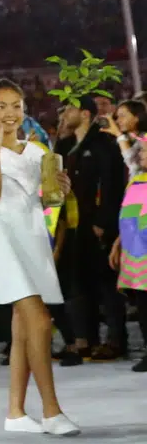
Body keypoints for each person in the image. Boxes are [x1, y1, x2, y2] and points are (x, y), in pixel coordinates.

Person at [0, 79, 79, 436]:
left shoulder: (36, 152)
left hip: (33, 242)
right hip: (4, 245)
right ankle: (51, 411)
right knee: (41, 322)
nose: (9, 113)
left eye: (16, 105)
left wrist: (60, 189)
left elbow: (45, 201)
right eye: (0, 106)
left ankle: (15, 413)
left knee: (22, 329)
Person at [57, 98, 128, 360]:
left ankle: (116, 340)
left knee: (106, 284)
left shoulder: (103, 143)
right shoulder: (66, 145)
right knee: (79, 282)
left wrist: (104, 221)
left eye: (70, 109)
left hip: (97, 224)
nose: (65, 114)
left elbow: (111, 184)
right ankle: (86, 339)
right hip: (73, 223)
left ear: (85, 114)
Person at [108, 137, 147, 372]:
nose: (141, 154)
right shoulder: (137, 180)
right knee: (142, 303)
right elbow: (129, 215)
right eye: (141, 151)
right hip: (136, 255)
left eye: (145, 151)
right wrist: (118, 244)